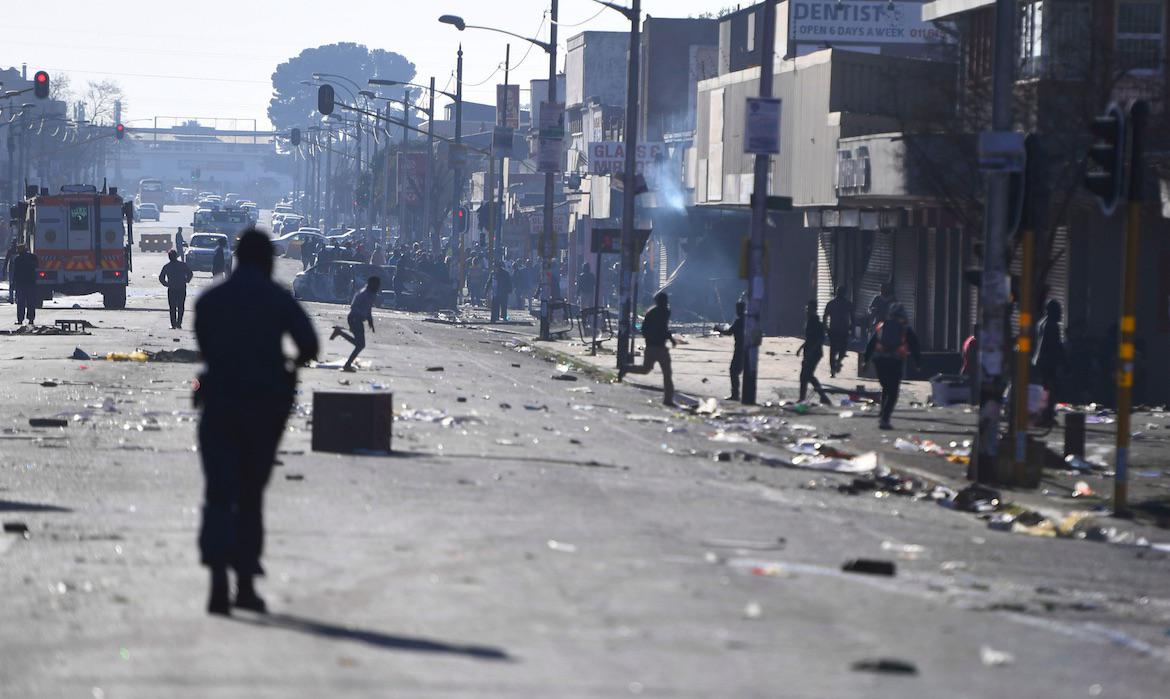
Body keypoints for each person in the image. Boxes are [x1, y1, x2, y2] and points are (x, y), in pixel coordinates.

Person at [193, 230, 318, 616]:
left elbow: (204, 344)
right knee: (249, 495)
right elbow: (309, 345)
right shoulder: (277, 298)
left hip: (218, 403)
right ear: (267, 261)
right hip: (264, 408)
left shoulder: (211, 298)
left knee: (218, 492)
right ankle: (244, 584)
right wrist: (286, 368)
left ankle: (217, 578)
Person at [863, 303, 921, 430]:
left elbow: (870, 344)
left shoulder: (881, 327)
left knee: (886, 388)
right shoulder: (906, 329)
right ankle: (884, 419)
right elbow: (915, 347)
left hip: (880, 362)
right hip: (895, 362)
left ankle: (882, 413)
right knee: (893, 392)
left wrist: (865, 361)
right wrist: (918, 363)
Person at [618, 291, 677, 406]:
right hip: (659, 347)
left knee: (646, 369)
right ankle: (668, 400)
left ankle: (625, 369)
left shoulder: (651, 312)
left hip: (651, 347)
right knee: (667, 374)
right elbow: (663, 328)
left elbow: (644, 329)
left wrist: (650, 339)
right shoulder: (665, 312)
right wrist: (670, 338)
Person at [330, 276, 380, 372]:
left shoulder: (371, 294)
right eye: (376, 285)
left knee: (360, 344)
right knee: (360, 345)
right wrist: (359, 316)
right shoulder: (364, 294)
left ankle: (340, 333)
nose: (377, 287)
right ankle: (347, 364)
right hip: (355, 319)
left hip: (357, 319)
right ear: (371, 284)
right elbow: (353, 306)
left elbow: (368, 309)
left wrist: (370, 321)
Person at [1033, 299, 1067, 426]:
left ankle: (1044, 414)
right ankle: (1046, 415)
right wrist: (1065, 362)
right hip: (1048, 362)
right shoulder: (1052, 325)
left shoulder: (1042, 323)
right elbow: (1057, 346)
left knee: (1046, 389)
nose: (1060, 313)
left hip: (1041, 361)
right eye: (1058, 310)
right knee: (1052, 389)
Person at [797, 300, 833, 405]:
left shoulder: (816, 323)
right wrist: (801, 348)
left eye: (809, 309)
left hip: (814, 353)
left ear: (814, 310)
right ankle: (817, 397)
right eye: (807, 308)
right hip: (809, 352)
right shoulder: (809, 322)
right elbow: (809, 339)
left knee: (806, 375)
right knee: (806, 375)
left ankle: (821, 396)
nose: (807, 311)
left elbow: (820, 340)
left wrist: (811, 351)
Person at [718, 300, 746, 401]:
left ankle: (735, 395)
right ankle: (739, 394)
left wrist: (718, 329)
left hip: (739, 350)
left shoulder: (739, 321)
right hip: (746, 349)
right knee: (739, 371)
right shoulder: (747, 320)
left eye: (737, 309)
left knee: (733, 371)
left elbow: (729, 332)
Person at [823, 286, 853, 377]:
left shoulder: (832, 303)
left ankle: (835, 366)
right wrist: (852, 327)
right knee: (841, 349)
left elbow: (825, 317)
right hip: (841, 330)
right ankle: (836, 364)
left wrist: (826, 328)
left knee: (834, 350)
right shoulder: (847, 304)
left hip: (835, 330)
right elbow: (853, 317)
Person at [159, 249, 194, 329]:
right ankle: (178, 323)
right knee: (180, 306)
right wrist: (186, 280)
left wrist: (166, 284)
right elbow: (190, 273)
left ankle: (174, 324)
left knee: (173, 307)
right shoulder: (182, 265)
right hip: (181, 288)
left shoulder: (167, 266)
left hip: (172, 289)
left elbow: (161, 278)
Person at [11, 245, 38, 325]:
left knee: (21, 303)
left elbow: (15, 272)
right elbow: (37, 266)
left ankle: (20, 320)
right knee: (31, 302)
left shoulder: (17, 259)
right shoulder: (33, 257)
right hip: (31, 283)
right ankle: (31, 319)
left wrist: (13, 283)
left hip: (21, 284)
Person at [3, 239, 17, 304]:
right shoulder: (18, 251)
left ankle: (11, 298)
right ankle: (16, 298)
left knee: (11, 284)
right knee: (17, 284)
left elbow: (6, 260)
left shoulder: (10, 251)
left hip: (12, 270)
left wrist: (4, 269)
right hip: (17, 270)